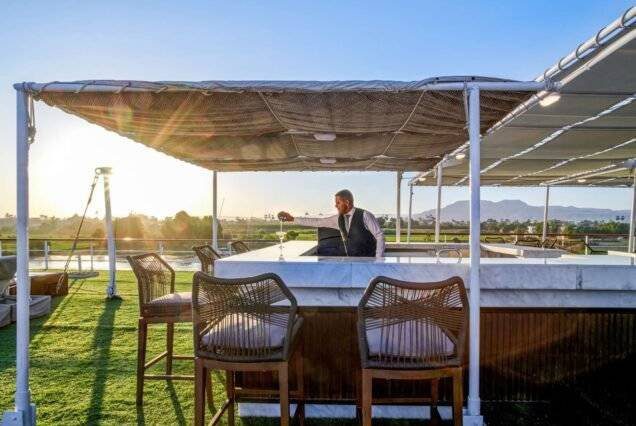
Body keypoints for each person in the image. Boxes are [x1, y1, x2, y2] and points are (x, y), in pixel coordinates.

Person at [278, 189, 385, 258]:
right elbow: (317, 222)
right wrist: (292, 219)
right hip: (350, 260)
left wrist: (378, 258)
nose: (335, 205)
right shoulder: (337, 219)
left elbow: (379, 235)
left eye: (338, 202)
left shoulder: (365, 215)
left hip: (369, 260)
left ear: (347, 202)